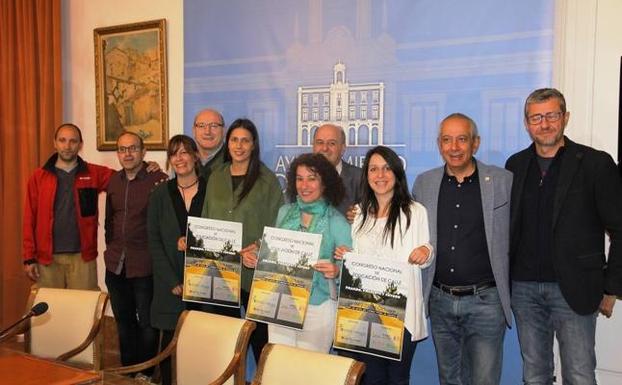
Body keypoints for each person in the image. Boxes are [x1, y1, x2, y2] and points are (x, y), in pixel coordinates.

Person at [506, 88, 622, 384]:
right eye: (536, 118)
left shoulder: (596, 164)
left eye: (551, 116)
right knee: (534, 374)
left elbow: (619, 228)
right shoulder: (514, 166)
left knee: (579, 374)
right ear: (527, 123)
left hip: (576, 288)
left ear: (565, 117)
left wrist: (611, 287)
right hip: (523, 289)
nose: (544, 124)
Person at [413, 113, 512, 385]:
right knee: (449, 379)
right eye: (447, 140)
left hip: (486, 302)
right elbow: (406, 227)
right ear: (439, 144)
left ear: (475, 143)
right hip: (440, 301)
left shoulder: (503, 181)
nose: (454, 147)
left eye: (461, 139)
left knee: (483, 380)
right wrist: (361, 214)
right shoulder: (424, 183)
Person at [336, 146, 432, 385]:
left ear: (397, 173)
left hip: (402, 314)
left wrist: (425, 252)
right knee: (372, 378)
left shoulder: (415, 211)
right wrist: (348, 256)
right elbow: (360, 259)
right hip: (367, 313)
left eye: (387, 169)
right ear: (366, 176)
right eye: (374, 169)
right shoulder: (359, 214)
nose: (380, 175)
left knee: (397, 379)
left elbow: (427, 252)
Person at [201, 118, 283, 364]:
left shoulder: (267, 180)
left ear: (253, 145)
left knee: (260, 341)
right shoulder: (216, 177)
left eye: (245, 140)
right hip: (221, 271)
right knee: (224, 339)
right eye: (234, 140)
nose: (239, 146)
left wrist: (259, 247)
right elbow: (206, 219)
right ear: (227, 143)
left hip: (254, 272)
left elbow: (276, 225)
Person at [268, 153, 352, 353]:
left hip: (318, 307)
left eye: (312, 179)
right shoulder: (283, 212)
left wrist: (337, 270)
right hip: (281, 301)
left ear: (325, 183)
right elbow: (272, 254)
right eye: (299, 179)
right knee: (278, 366)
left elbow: (349, 268)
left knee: (310, 372)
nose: (304, 185)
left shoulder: (337, 221)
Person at [22, 123, 114, 289]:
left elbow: (125, 178)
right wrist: (29, 257)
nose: (67, 146)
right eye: (62, 140)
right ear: (54, 143)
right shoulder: (38, 177)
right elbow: (29, 219)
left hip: (82, 258)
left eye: (73, 141)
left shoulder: (94, 173)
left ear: (80, 144)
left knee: (83, 311)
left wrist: (147, 168)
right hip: (47, 260)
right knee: (51, 311)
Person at [104, 131, 166, 374]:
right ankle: (127, 372)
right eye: (122, 149)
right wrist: (109, 248)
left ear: (143, 152)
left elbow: (164, 223)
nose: (127, 154)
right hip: (116, 265)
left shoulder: (158, 180)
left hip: (145, 266)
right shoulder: (113, 181)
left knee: (148, 325)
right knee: (124, 322)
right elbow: (109, 221)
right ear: (118, 153)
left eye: (132, 148)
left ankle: (147, 373)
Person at [148, 135, 206, 385]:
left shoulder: (212, 190)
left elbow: (222, 232)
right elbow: (154, 240)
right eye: (174, 154)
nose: (180, 158)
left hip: (205, 284)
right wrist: (171, 280)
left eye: (184, 152)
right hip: (170, 283)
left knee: (200, 345)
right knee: (169, 346)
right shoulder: (160, 193)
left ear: (195, 156)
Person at [312, 123, 362, 216]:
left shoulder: (360, 179)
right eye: (319, 142)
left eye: (332, 143)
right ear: (313, 146)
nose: (325, 148)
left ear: (343, 148)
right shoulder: (300, 178)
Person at [192, 108, 226, 178]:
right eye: (201, 126)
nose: (207, 132)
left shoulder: (234, 160)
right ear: (194, 131)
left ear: (224, 131)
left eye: (214, 126)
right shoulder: (184, 161)